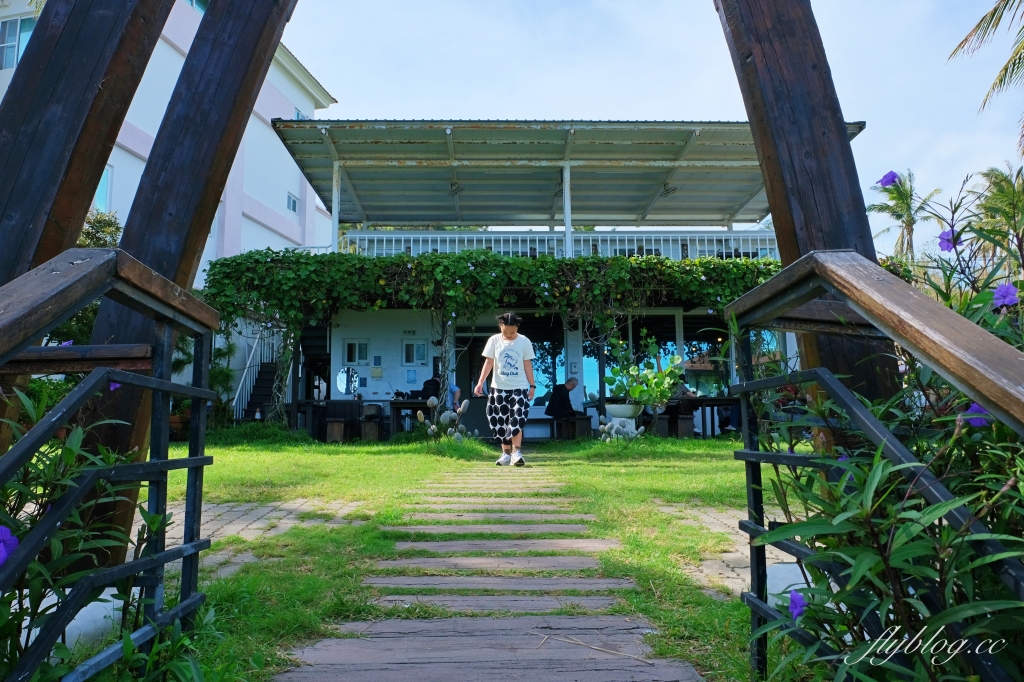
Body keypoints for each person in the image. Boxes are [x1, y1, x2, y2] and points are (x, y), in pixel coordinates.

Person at [474, 312, 536, 467]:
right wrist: (480, 382)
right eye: (505, 332)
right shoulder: (494, 340)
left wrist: (532, 385)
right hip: (498, 387)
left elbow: (527, 365)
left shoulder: (524, 341)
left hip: (519, 387)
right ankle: (505, 454)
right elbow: (488, 363)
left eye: (512, 332)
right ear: (500, 326)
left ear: (517, 328)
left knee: (517, 419)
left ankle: (516, 453)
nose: (508, 335)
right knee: (500, 421)